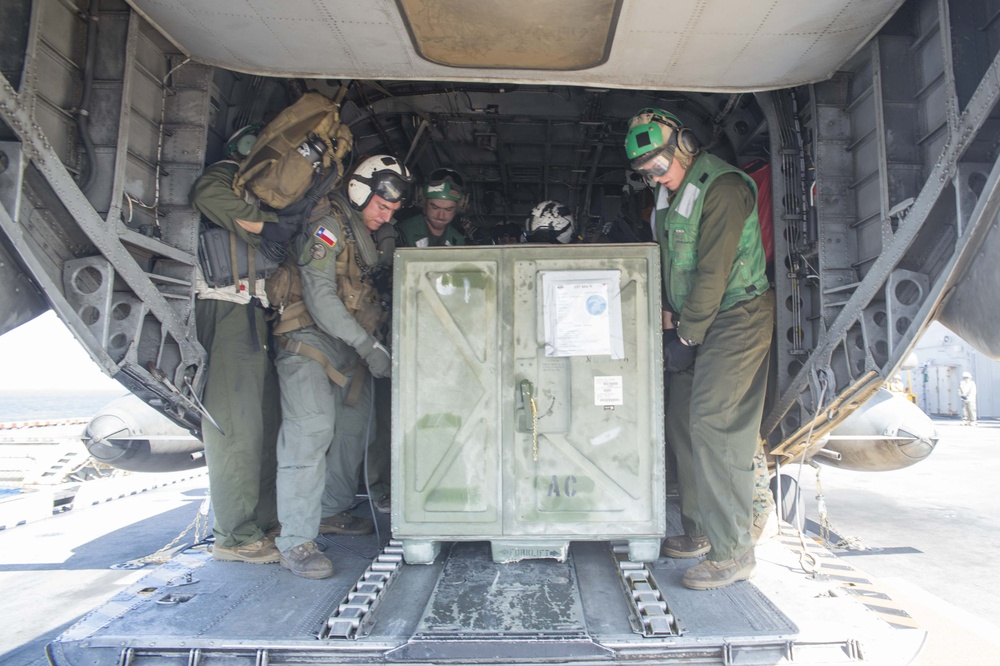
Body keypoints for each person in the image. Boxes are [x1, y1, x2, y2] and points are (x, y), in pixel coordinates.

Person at [625, 108, 774, 590]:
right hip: (695, 318)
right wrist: (670, 313)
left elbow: (713, 270)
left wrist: (686, 337)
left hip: (737, 315)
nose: (654, 175)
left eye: (659, 164)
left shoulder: (724, 187)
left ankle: (734, 551)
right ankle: (700, 531)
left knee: (714, 421)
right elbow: (672, 260)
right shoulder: (667, 196)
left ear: (684, 145)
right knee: (680, 418)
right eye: (645, 170)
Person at [269, 154, 413, 579]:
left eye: (391, 211)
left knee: (352, 433)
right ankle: (295, 541)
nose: (384, 216)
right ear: (359, 191)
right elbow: (320, 296)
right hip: (309, 344)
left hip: (352, 351)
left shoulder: (368, 237)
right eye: (380, 207)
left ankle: (330, 512)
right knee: (311, 431)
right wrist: (367, 345)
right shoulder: (327, 226)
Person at [189, 126, 298, 564]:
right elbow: (204, 195)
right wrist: (267, 227)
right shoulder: (225, 177)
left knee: (267, 423)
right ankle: (235, 537)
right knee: (236, 428)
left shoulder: (263, 194)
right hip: (226, 306)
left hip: (256, 312)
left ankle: (264, 522)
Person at [397, 168, 467, 247]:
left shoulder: (457, 240)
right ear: (424, 204)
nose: (441, 216)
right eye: (435, 207)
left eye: (448, 209)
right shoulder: (403, 233)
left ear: (458, 208)